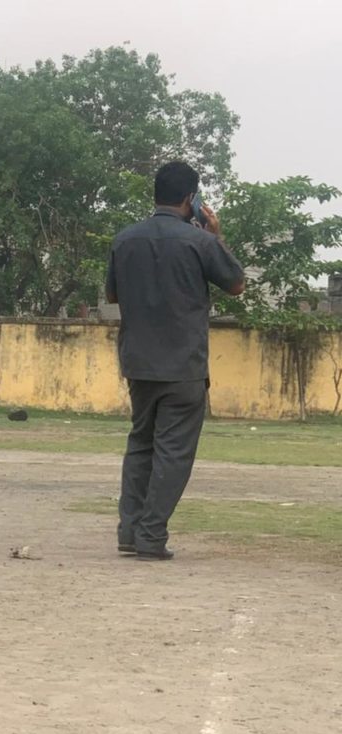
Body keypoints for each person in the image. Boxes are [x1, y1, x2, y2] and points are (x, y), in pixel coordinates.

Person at [106, 161, 245, 561]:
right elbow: (236, 284)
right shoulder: (199, 242)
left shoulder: (125, 239)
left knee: (141, 444)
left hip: (138, 362)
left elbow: (113, 296)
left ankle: (130, 532)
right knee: (174, 452)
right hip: (183, 364)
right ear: (191, 199)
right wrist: (215, 237)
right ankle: (152, 535)